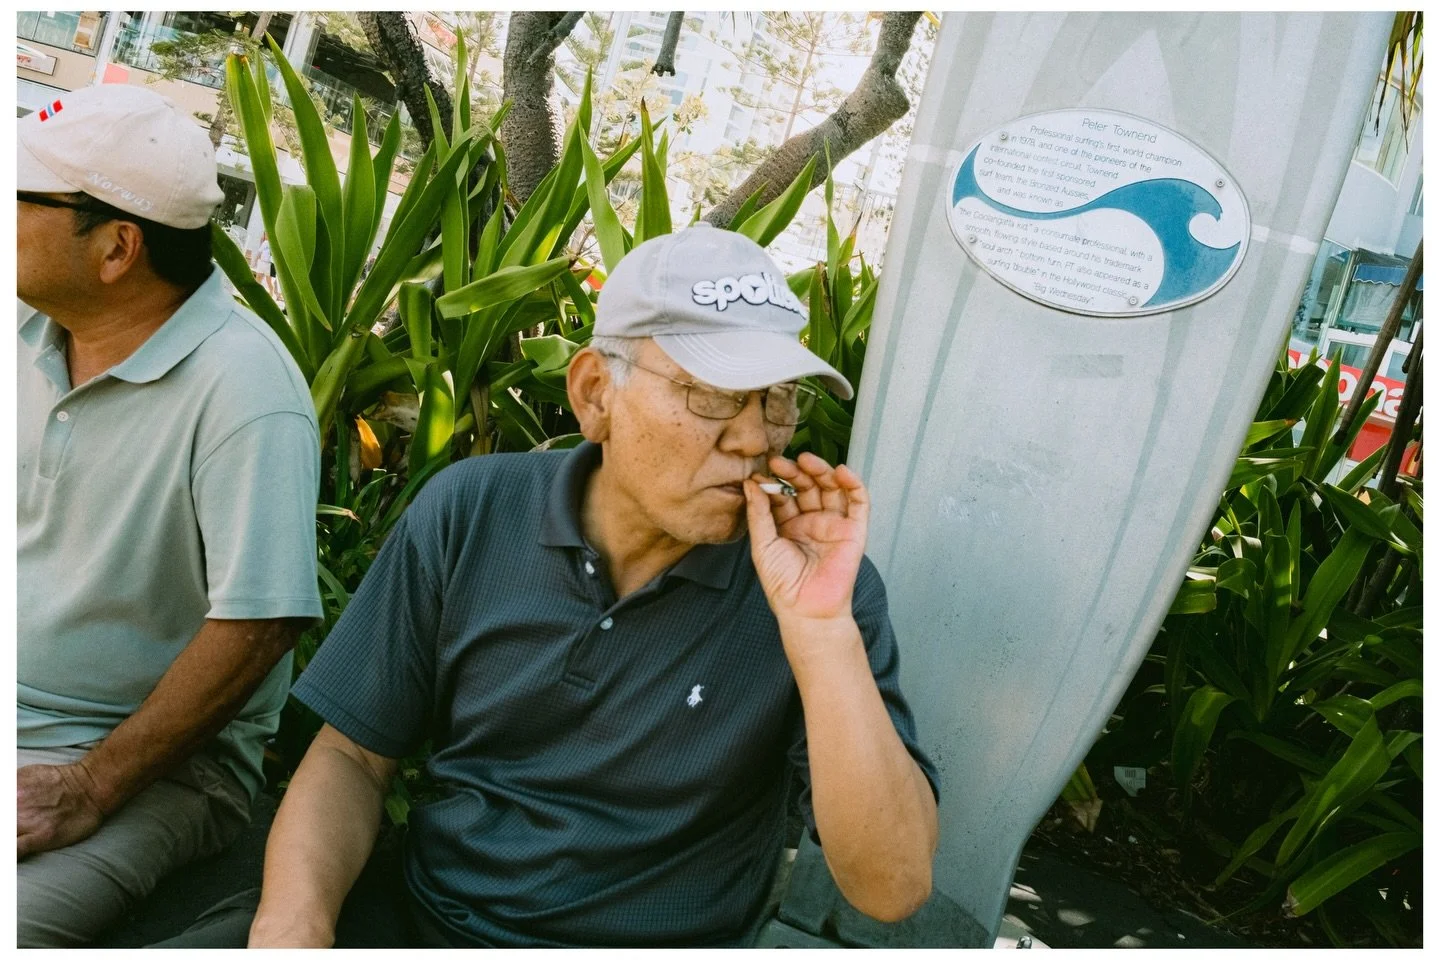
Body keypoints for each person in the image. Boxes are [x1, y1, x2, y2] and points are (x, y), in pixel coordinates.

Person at [169, 223, 940, 948]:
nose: (752, 438)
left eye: (776, 401)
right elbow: (353, 758)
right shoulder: (472, 511)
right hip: (425, 917)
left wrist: (819, 630)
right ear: (596, 393)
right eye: (712, 396)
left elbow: (891, 888)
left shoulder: (819, 590)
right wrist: (295, 927)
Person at [17, 83, 323, 947]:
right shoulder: (24, 334)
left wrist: (88, 788)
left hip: (132, 769)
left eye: (19, 200)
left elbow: (261, 624)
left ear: (117, 247)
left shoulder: (246, 392)